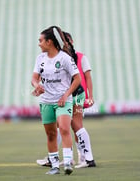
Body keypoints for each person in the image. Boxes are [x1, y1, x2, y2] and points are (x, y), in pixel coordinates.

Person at [36, 32, 96, 168]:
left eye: (66, 41)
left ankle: (86, 158)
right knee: (62, 126)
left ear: (70, 42)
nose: (64, 44)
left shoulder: (76, 57)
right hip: (67, 95)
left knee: (75, 125)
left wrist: (90, 96)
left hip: (76, 95)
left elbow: (87, 77)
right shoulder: (58, 56)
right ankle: (75, 158)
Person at [31, 26, 81, 175]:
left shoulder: (65, 58)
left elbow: (77, 79)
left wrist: (66, 95)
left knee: (65, 129)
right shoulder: (40, 59)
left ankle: (67, 163)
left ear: (49, 42)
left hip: (63, 101)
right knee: (51, 134)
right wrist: (37, 85)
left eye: (41, 41)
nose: (39, 43)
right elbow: (34, 78)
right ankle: (54, 166)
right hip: (46, 102)